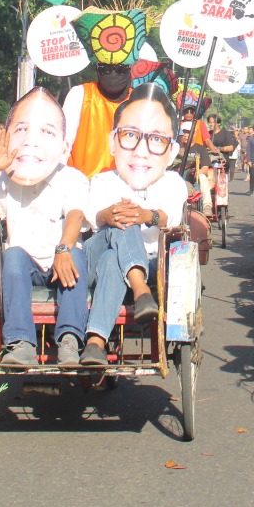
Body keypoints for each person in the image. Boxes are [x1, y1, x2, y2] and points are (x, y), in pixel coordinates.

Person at [0, 87, 90, 366]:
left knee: (75, 255)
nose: (32, 142)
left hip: (59, 259)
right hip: (24, 264)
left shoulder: (72, 178)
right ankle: (20, 342)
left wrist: (63, 248)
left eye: (46, 132)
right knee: (13, 254)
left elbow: (75, 215)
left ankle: (69, 340)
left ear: (64, 146)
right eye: (23, 130)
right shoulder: (5, 178)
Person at [83, 85, 188, 366]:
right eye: (130, 136)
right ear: (112, 142)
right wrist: (109, 215)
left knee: (111, 259)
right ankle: (141, 291)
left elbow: (171, 219)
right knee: (121, 224)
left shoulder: (173, 183)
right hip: (97, 251)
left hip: (152, 262)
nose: (141, 151)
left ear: (172, 150)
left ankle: (95, 343)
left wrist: (146, 215)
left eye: (155, 139)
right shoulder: (103, 181)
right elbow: (90, 218)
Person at [64, 10, 143, 181]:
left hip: (126, 193)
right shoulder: (80, 95)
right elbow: (63, 146)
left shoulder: (138, 102)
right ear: (98, 70)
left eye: (120, 69)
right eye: (106, 69)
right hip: (82, 190)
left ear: (129, 70)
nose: (112, 74)